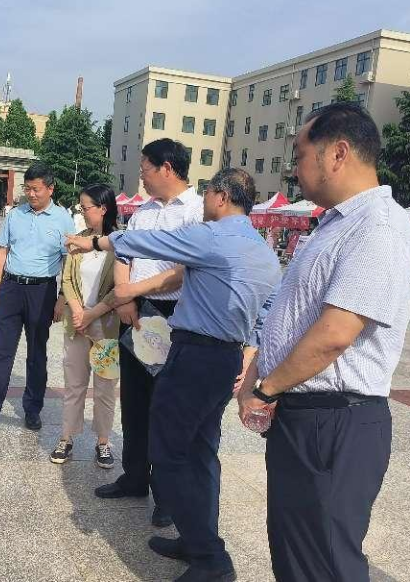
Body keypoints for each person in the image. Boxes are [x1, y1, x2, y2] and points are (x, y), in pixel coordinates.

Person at [68, 168, 281, 582]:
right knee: (201, 452)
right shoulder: (264, 251)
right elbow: (267, 311)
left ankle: (210, 558)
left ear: (221, 197)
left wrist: (94, 241)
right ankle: (194, 538)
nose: (205, 202)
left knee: (167, 453)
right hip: (224, 358)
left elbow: (149, 241)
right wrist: (249, 353)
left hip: (194, 356)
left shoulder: (212, 236)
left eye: (209, 194)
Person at [238, 103, 410, 582]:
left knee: (325, 562)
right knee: (297, 553)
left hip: (336, 420)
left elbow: (336, 333)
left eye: (300, 155)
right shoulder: (336, 223)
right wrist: (259, 368)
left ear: (337, 153)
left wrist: (265, 389)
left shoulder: (378, 226)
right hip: (306, 415)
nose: (293, 168)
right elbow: (294, 311)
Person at [92, 139, 204, 530]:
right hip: (135, 311)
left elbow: (187, 270)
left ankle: (167, 494)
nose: (141, 174)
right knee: (135, 399)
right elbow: (124, 255)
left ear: (167, 168)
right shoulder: (142, 212)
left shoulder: (197, 212)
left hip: (174, 315)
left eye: (145, 167)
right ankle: (135, 475)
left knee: (166, 406)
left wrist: (132, 293)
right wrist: (125, 298)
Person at [0, 163, 75, 432]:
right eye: (27, 189)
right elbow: (2, 251)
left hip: (42, 292)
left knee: (37, 353)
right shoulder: (15, 214)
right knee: (0, 351)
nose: (31, 194)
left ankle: (32, 410)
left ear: (50, 189)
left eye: (36, 189)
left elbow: (68, 262)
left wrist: (62, 298)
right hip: (11, 289)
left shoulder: (63, 219)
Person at [50, 184, 120, 470]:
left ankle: (103, 441)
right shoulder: (78, 240)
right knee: (74, 385)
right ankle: (66, 437)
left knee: (105, 388)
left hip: (107, 328)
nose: (82, 212)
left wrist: (92, 314)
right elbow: (67, 279)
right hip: (77, 326)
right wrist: (78, 312)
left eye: (85, 207)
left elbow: (120, 287)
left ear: (103, 208)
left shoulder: (119, 242)